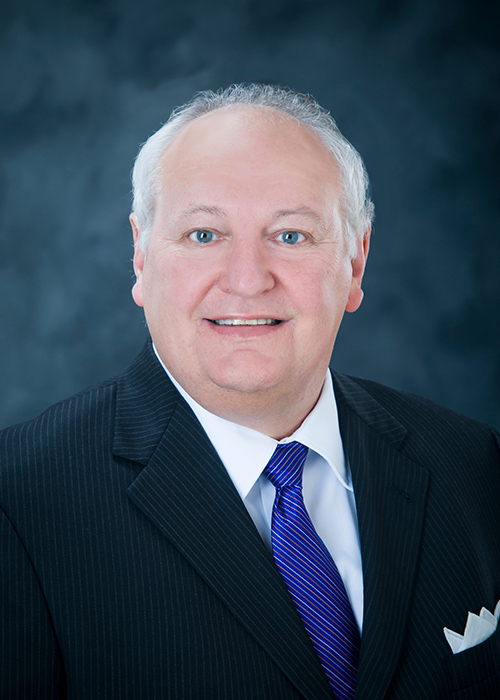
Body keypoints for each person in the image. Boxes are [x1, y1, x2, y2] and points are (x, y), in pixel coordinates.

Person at [1, 84, 499, 700]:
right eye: (204, 235)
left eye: (290, 236)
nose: (246, 280)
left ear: (356, 262)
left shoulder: (471, 463)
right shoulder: (18, 500)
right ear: (140, 255)